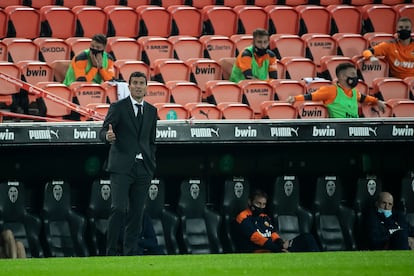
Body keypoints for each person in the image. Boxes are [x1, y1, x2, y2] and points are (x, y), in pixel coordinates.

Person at [100, 71, 158, 256]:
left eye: (142, 83)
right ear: (129, 86)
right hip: (121, 167)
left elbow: (151, 141)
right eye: (135, 83)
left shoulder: (151, 111)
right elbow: (103, 131)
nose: (139, 86)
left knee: (137, 212)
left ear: (146, 87)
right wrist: (107, 137)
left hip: (143, 168)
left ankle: (130, 251)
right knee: (118, 208)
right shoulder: (117, 107)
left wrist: (151, 164)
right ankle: (110, 252)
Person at [287, 62, 386, 118]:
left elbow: (364, 98)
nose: (356, 78)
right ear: (342, 76)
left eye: (356, 75)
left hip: (354, 129)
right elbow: (312, 96)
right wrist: (294, 98)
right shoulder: (331, 90)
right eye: (352, 75)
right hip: (339, 129)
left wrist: (377, 101)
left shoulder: (354, 92)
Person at [235, 189, 320, 253]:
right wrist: (278, 248)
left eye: (264, 204)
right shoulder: (243, 217)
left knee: (307, 238)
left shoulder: (264, 217)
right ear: (250, 202)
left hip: (275, 248)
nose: (261, 207)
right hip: (259, 251)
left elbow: (273, 234)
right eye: (258, 203)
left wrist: (281, 243)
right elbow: (256, 238)